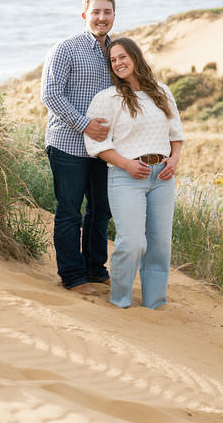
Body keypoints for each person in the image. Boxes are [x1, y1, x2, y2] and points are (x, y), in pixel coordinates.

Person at [83, 37, 184, 309]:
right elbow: (96, 144)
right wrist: (126, 164)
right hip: (126, 177)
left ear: (135, 57)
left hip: (162, 177)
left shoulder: (161, 91)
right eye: (113, 60)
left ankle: (154, 302)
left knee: (160, 244)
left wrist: (174, 160)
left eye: (122, 57)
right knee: (132, 243)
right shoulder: (107, 99)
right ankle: (120, 300)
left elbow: (176, 133)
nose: (118, 63)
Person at [40, 0, 116, 296]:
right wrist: (85, 125)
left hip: (104, 148)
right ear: (85, 15)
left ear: (114, 15)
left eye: (107, 12)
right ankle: (72, 275)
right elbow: (50, 94)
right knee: (70, 210)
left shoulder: (117, 51)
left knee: (100, 210)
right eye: (96, 12)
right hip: (68, 144)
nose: (101, 17)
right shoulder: (65, 48)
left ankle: (95, 269)